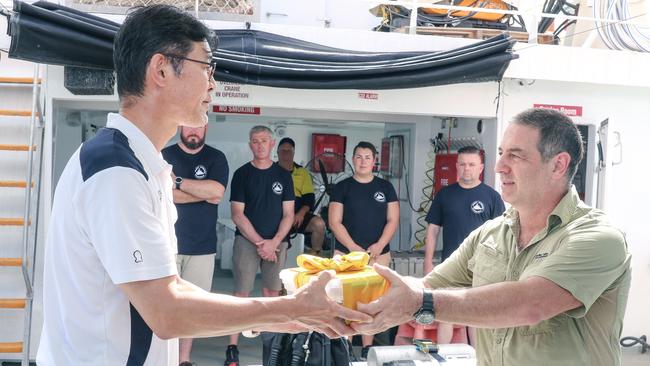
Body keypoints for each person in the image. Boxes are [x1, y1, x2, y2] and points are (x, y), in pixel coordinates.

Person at [36, 6, 370, 366]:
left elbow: (173, 289)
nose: (213, 82)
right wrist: (289, 306)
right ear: (161, 69)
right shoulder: (115, 171)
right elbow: (167, 313)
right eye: (206, 67)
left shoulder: (141, 164)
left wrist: (290, 317)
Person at [352, 108, 631, 366]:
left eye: (516, 155)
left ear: (558, 165)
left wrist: (420, 303)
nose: (499, 167)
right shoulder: (490, 234)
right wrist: (345, 302)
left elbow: (531, 304)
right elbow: (425, 285)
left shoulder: (599, 238)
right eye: (501, 153)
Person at [395, 146, 505, 346]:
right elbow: (433, 230)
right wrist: (428, 262)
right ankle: (445, 355)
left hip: (483, 266)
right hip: (451, 265)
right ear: (456, 166)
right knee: (447, 312)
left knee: (477, 315)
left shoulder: (492, 197)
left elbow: (502, 235)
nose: (466, 169)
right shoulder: (445, 195)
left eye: (471, 164)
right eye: (462, 164)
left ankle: (478, 358)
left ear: (481, 168)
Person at [226, 126, 295, 366]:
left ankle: (272, 344)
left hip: (277, 242)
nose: (260, 145)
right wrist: (259, 243)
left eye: (264, 140)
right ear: (250, 145)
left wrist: (274, 242)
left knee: (272, 293)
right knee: (241, 294)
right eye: (255, 141)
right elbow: (237, 214)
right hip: (247, 241)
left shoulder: (284, 175)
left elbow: (289, 214)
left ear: (272, 143)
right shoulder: (242, 174)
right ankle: (232, 348)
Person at [161, 124, 229, 365]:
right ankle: (163, 358)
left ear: (206, 128)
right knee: (164, 305)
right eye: (190, 126)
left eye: (199, 127)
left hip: (202, 247)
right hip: (167, 245)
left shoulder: (216, 158)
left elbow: (217, 193)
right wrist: (201, 193)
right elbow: (162, 193)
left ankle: (183, 359)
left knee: (194, 306)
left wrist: (177, 181)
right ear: (180, 126)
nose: (194, 131)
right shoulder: (164, 155)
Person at [328, 141, 400, 360]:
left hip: (379, 255)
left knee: (373, 301)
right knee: (345, 301)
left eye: (367, 157)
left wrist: (379, 245)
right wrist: (353, 249)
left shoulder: (386, 187)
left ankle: (368, 347)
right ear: (352, 159)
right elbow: (334, 222)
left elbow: (392, 220)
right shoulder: (342, 187)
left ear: (374, 160)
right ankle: (346, 348)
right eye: (358, 157)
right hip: (346, 255)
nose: (363, 161)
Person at [276, 137, 327, 255]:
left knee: (319, 224)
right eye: (283, 150)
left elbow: (309, 198)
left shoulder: (302, 172)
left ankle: (315, 257)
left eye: (289, 151)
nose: (286, 154)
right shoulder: (271, 170)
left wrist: (301, 214)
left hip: (297, 217)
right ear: (277, 152)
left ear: (293, 153)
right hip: (276, 216)